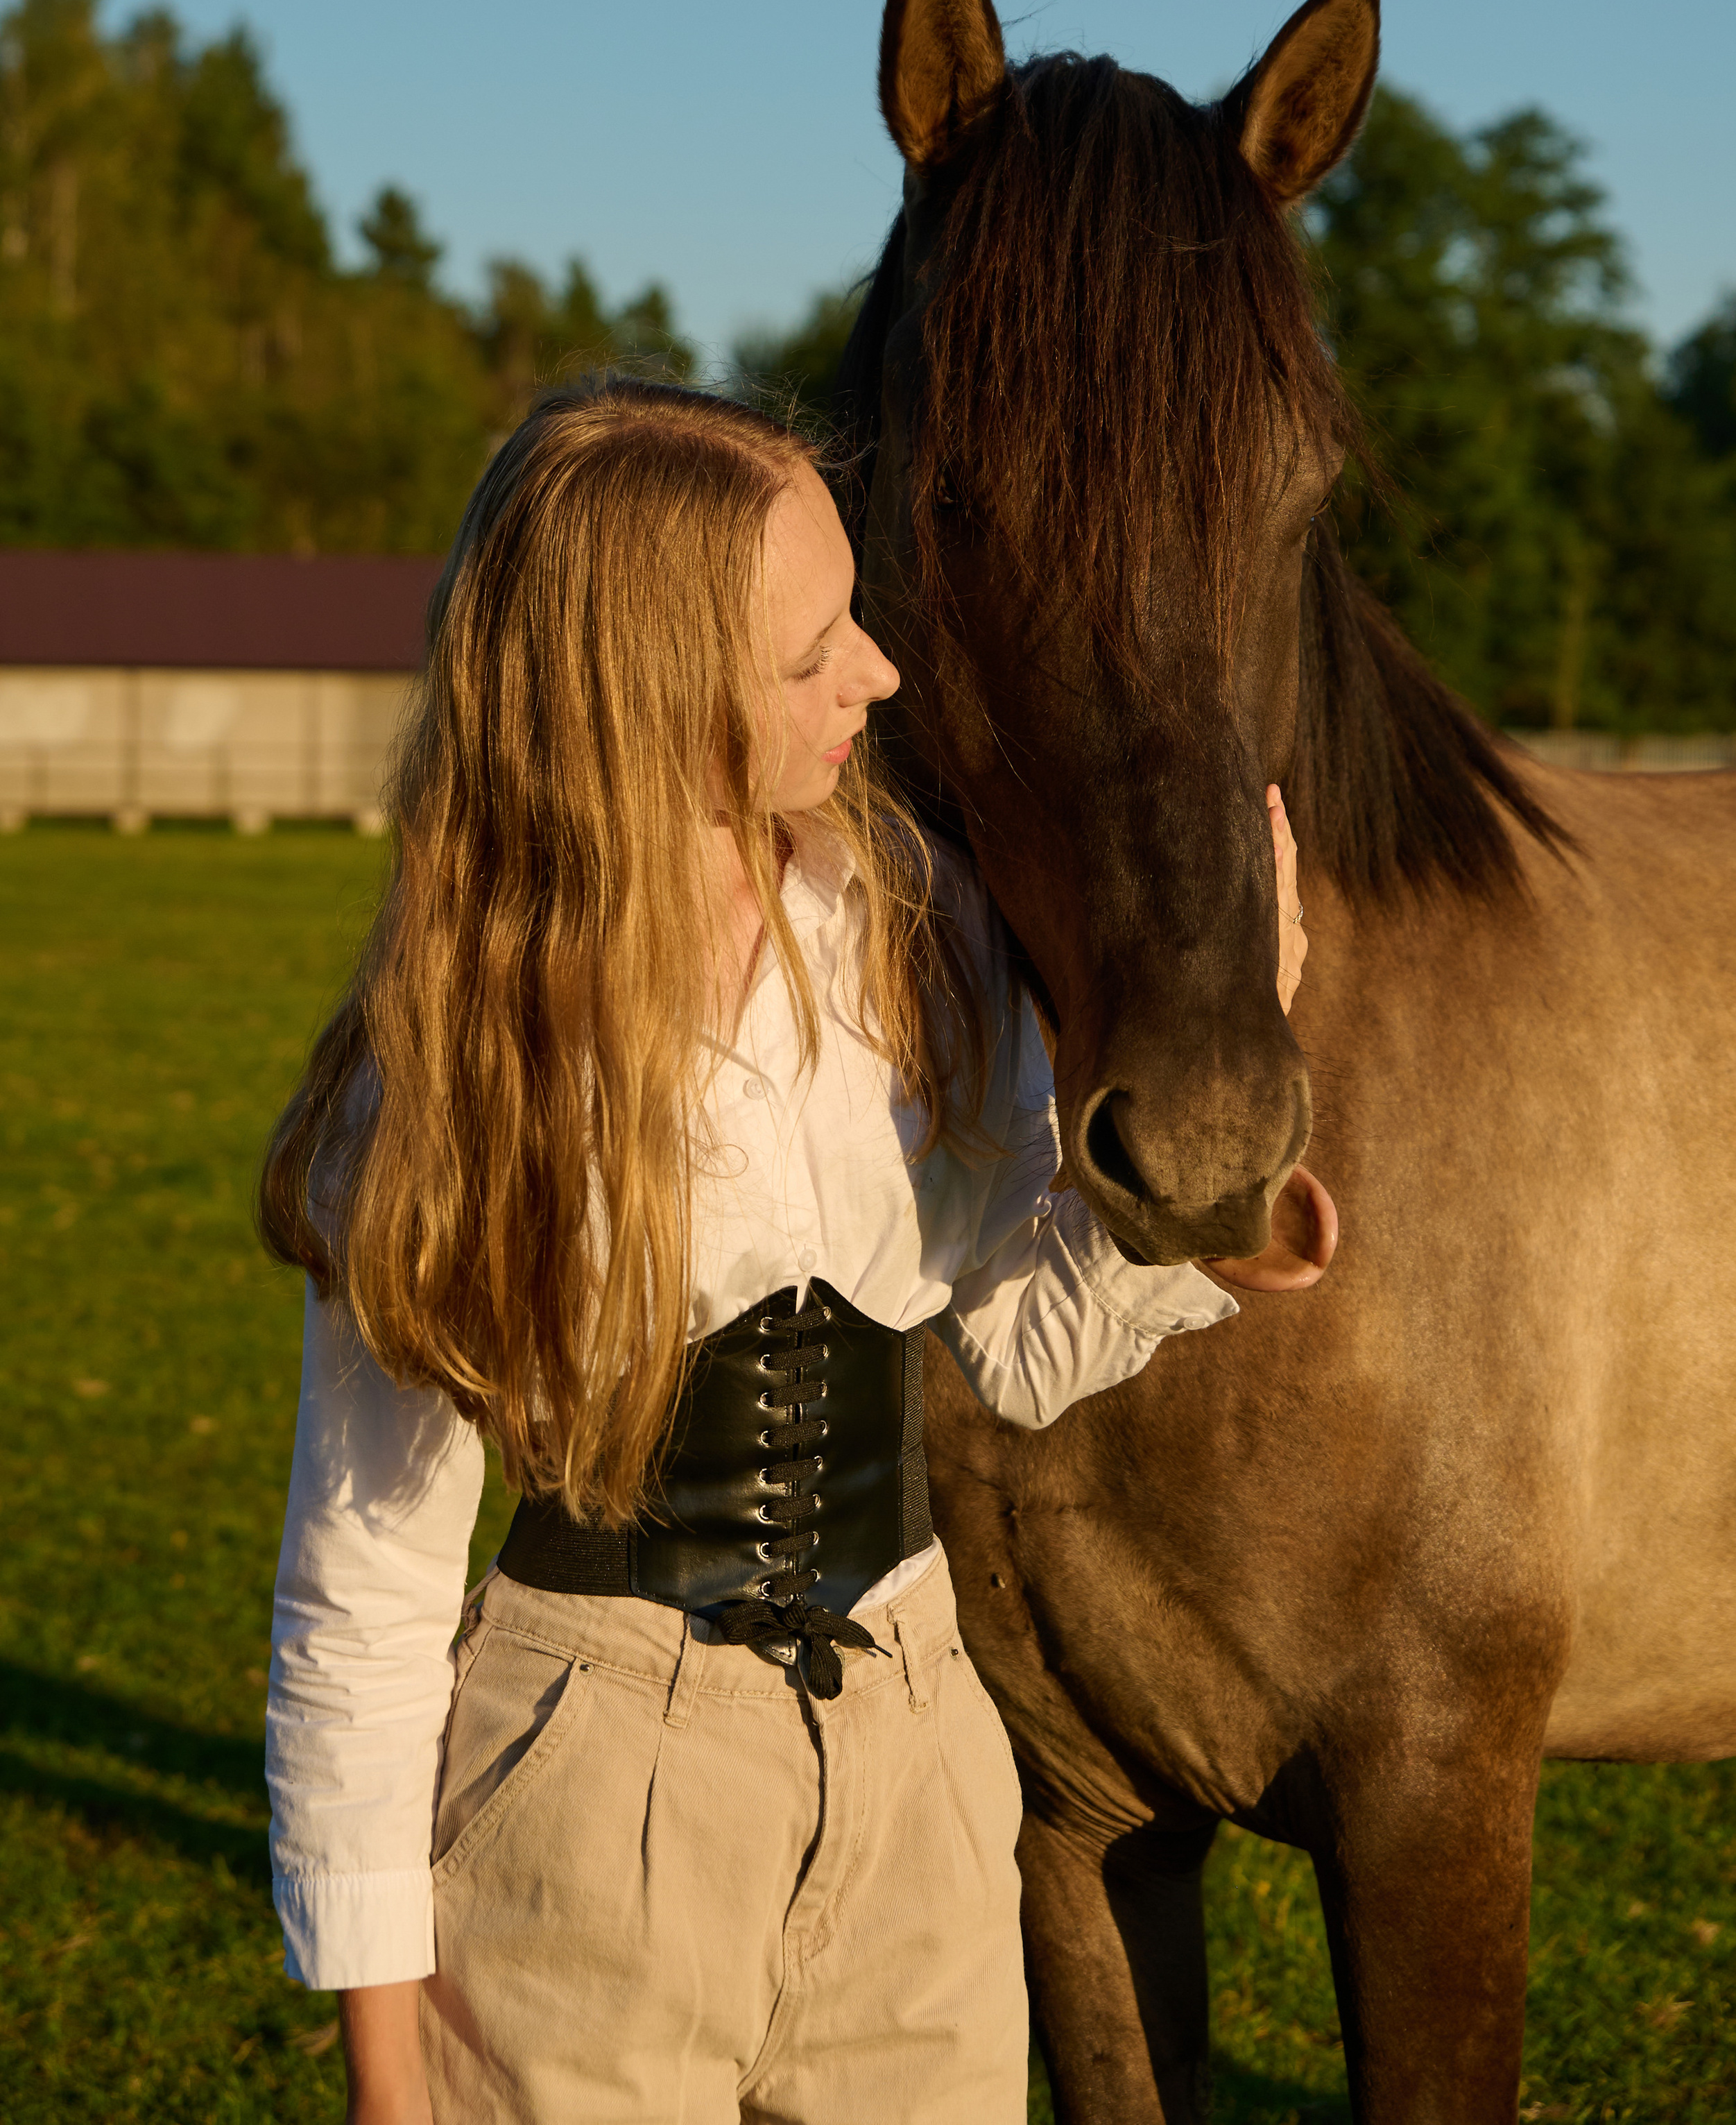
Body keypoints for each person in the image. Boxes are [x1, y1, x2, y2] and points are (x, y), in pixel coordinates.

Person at [259, 375, 1333, 2125]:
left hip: (919, 1759)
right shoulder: (452, 1082)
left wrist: (1187, 1247)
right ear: (647, 691)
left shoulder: (914, 935)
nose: (881, 675)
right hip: (585, 1801)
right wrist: (392, 2065)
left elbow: (1011, 1337)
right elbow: (359, 1599)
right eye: (816, 643)